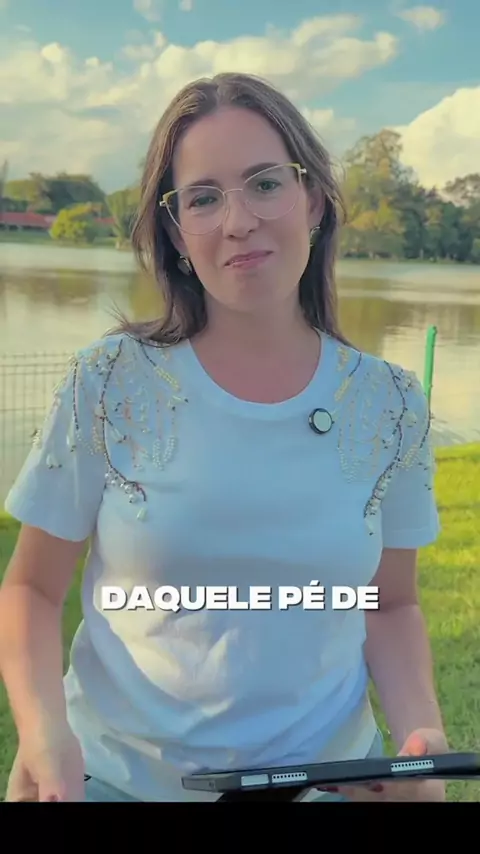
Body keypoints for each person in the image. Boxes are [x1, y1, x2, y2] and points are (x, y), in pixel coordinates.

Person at [0, 72, 448, 803]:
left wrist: (419, 740)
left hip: (328, 786)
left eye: (265, 184)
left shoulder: (391, 404)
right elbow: (32, 589)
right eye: (204, 198)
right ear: (177, 232)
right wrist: (44, 731)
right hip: (116, 783)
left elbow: (391, 605)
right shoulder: (108, 383)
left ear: (313, 199)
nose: (238, 221)